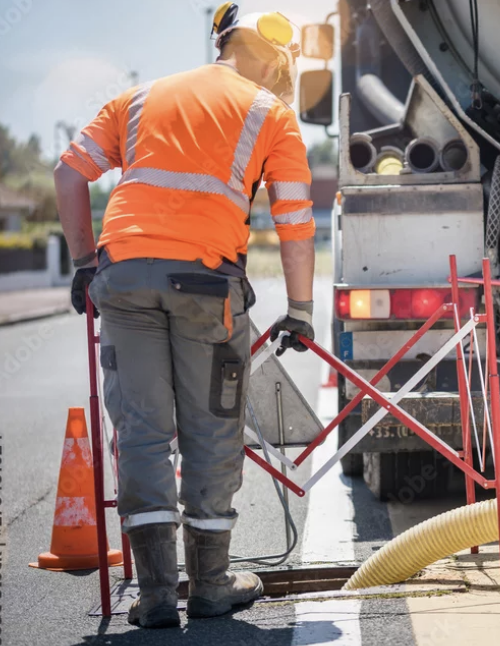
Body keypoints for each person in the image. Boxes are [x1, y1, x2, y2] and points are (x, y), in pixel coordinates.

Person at [53, 4, 315, 629]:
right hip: (206, 285)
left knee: (141, 433)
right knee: (211, 432)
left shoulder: (139, 99)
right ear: (274, 57)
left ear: (221, 40)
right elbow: (295, 224)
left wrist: (85, 262)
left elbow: (68, 174)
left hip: (122, 278)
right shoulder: (271, 114)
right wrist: (300, 310)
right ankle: (211, 587)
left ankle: (153, 597)